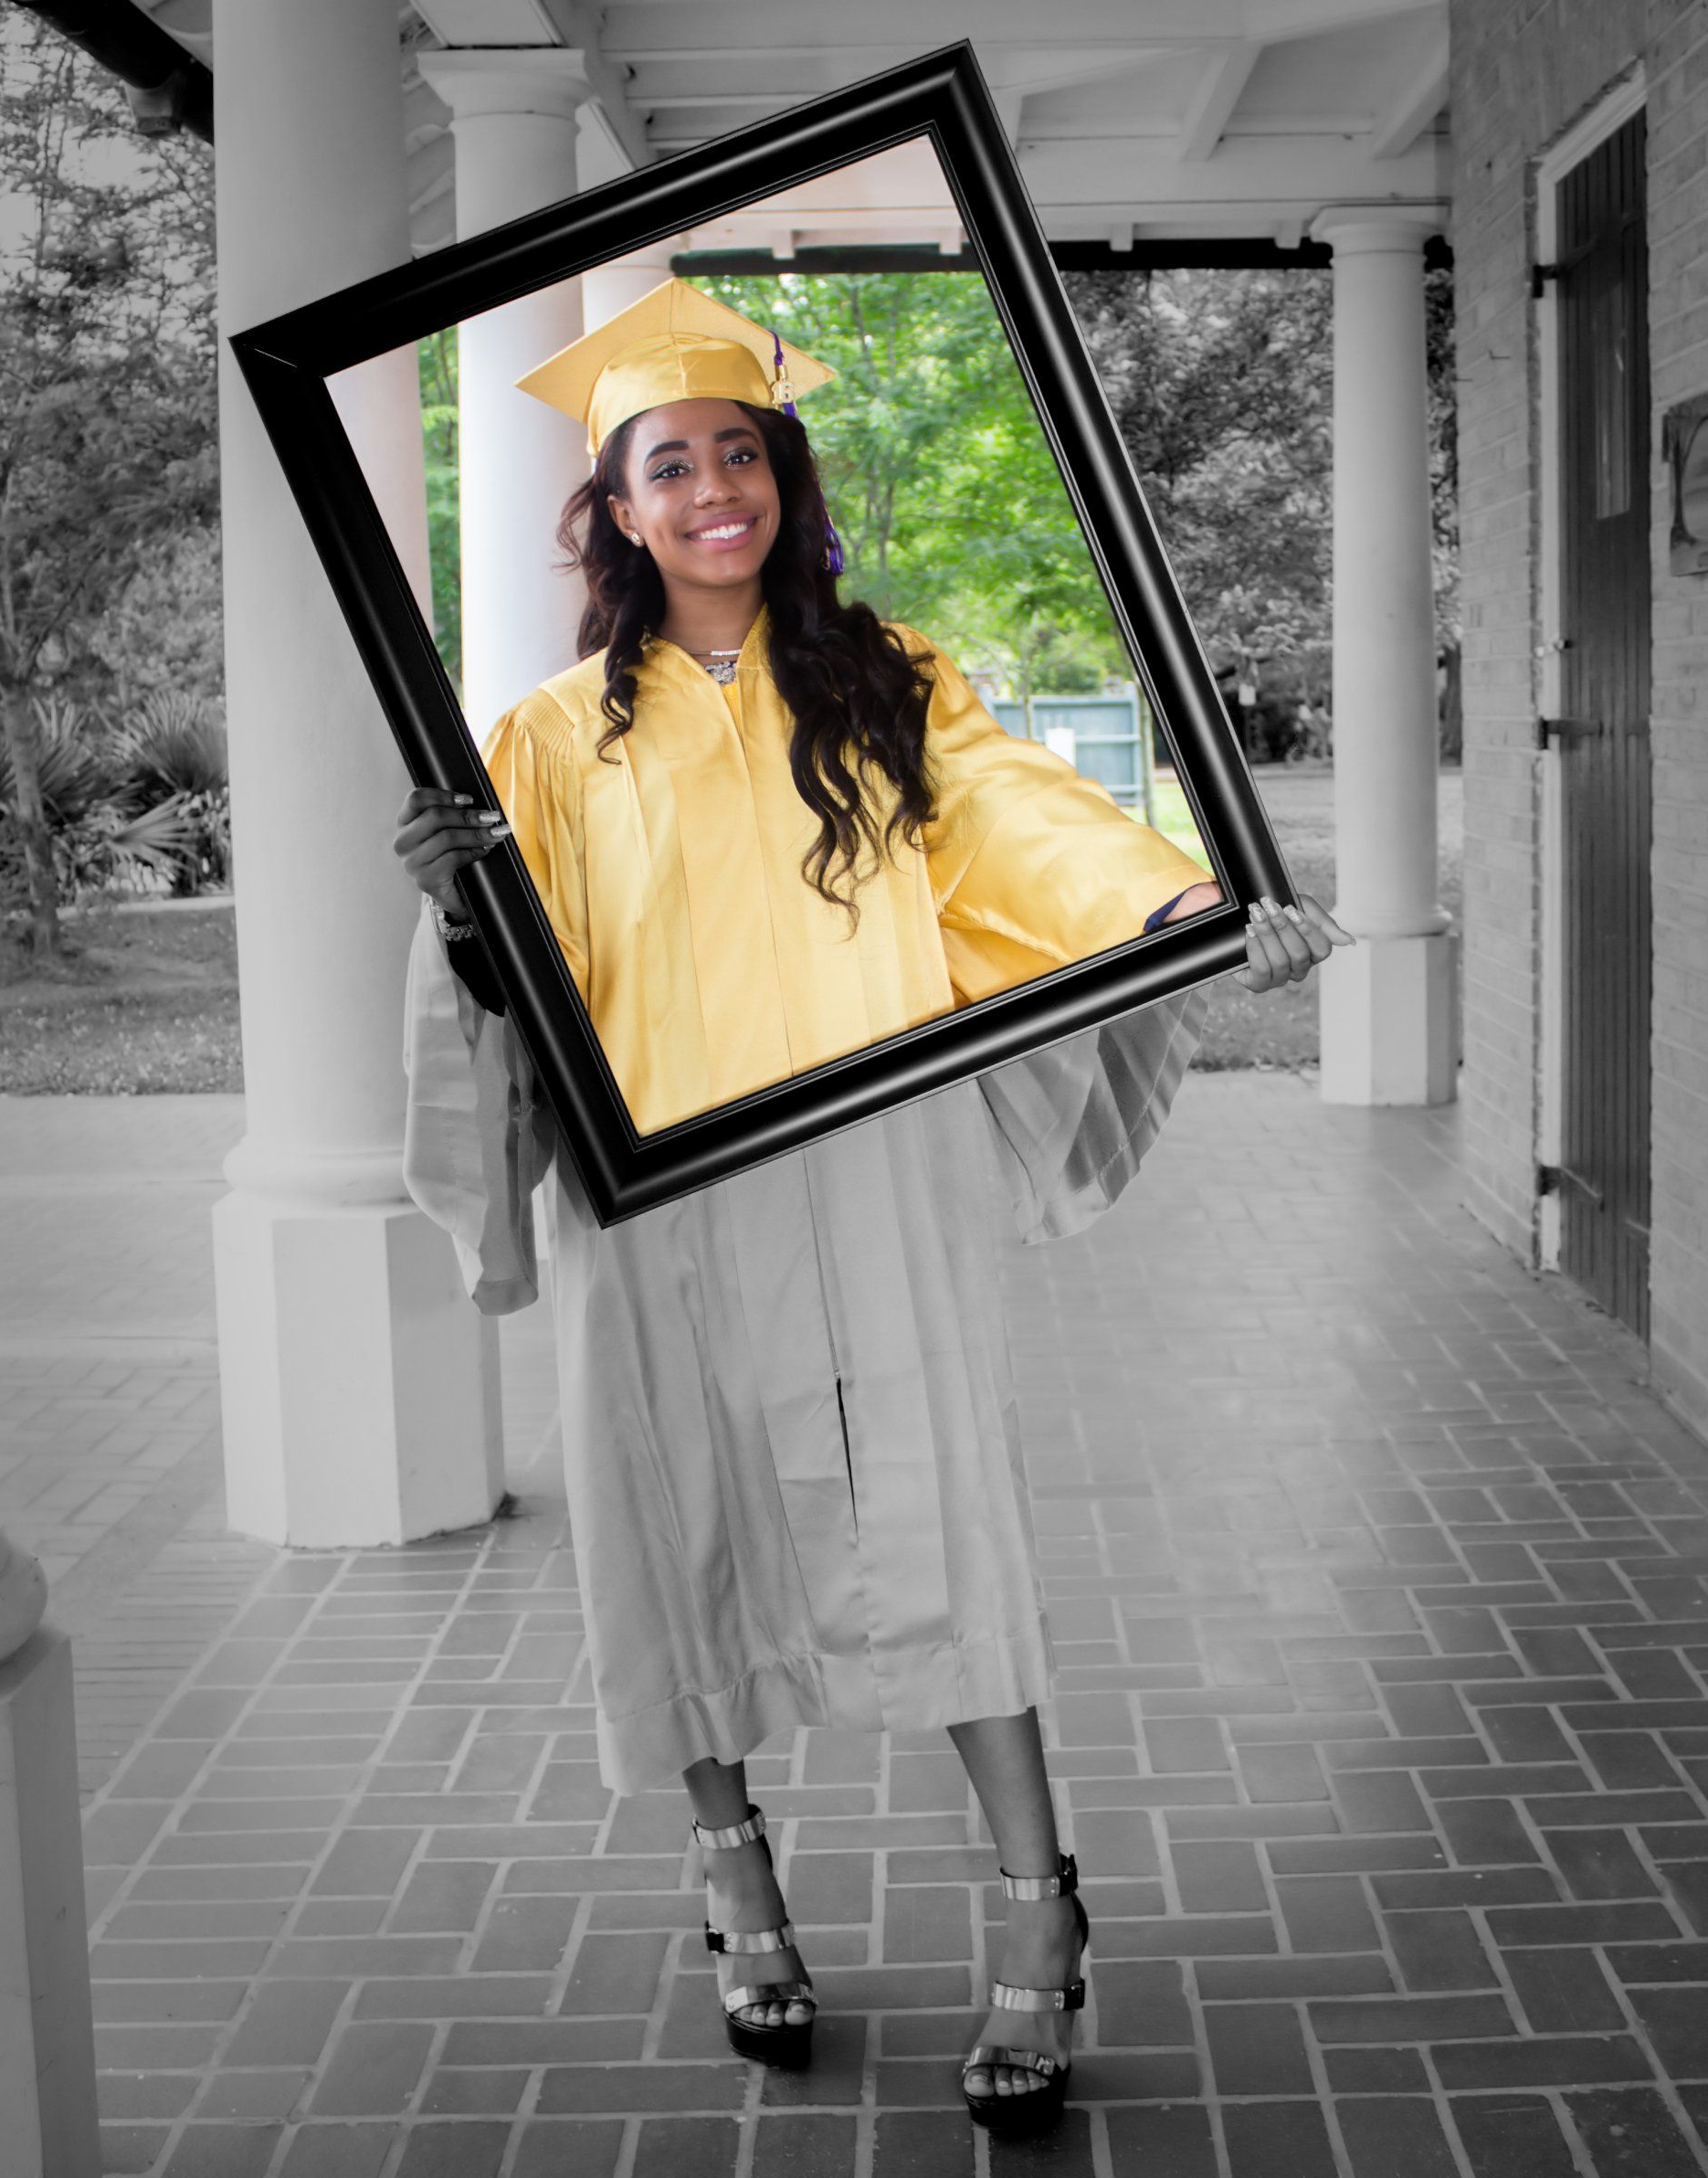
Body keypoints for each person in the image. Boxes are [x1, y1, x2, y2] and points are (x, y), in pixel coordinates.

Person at [394, 279, 1354, 2134]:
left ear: (782, 477)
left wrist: (1191, 913)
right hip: (660, 1198)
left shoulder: (889, 677)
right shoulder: (540, 744)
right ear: (616, 510)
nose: (710, 488)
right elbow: (512, 975)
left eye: (738, 450)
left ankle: (1035, 1911)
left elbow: (1019, 826)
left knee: (943, 1519)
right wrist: (454, 903)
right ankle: (733, 1874)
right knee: (681, 1532)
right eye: (668, 463)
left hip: (875, 1170)